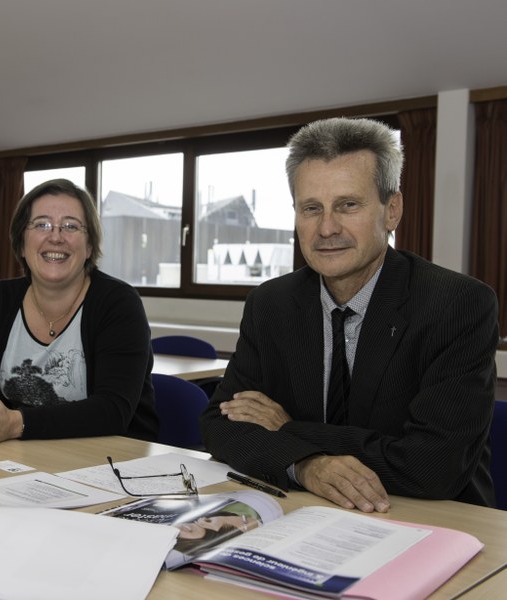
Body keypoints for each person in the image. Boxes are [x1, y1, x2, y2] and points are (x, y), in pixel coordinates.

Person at [200, 117, 498, 512]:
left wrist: (288, 430)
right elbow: (220, 427)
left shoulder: (456, 304)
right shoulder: (270, 304)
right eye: (311, 208)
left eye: (348, 205)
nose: (326, 228)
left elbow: (432, 466)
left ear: (392, 211)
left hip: (437, 520)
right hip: (306, 511)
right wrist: (305, 464)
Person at [0, 178, 158, 444]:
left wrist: (16, 423)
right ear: (21, 243)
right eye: (41, 224)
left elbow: (113, 410)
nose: (55, 236)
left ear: (89, 246)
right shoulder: (0, 299)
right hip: (22, 457)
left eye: (71, 226)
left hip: (112, 461)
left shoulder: (118, 302)